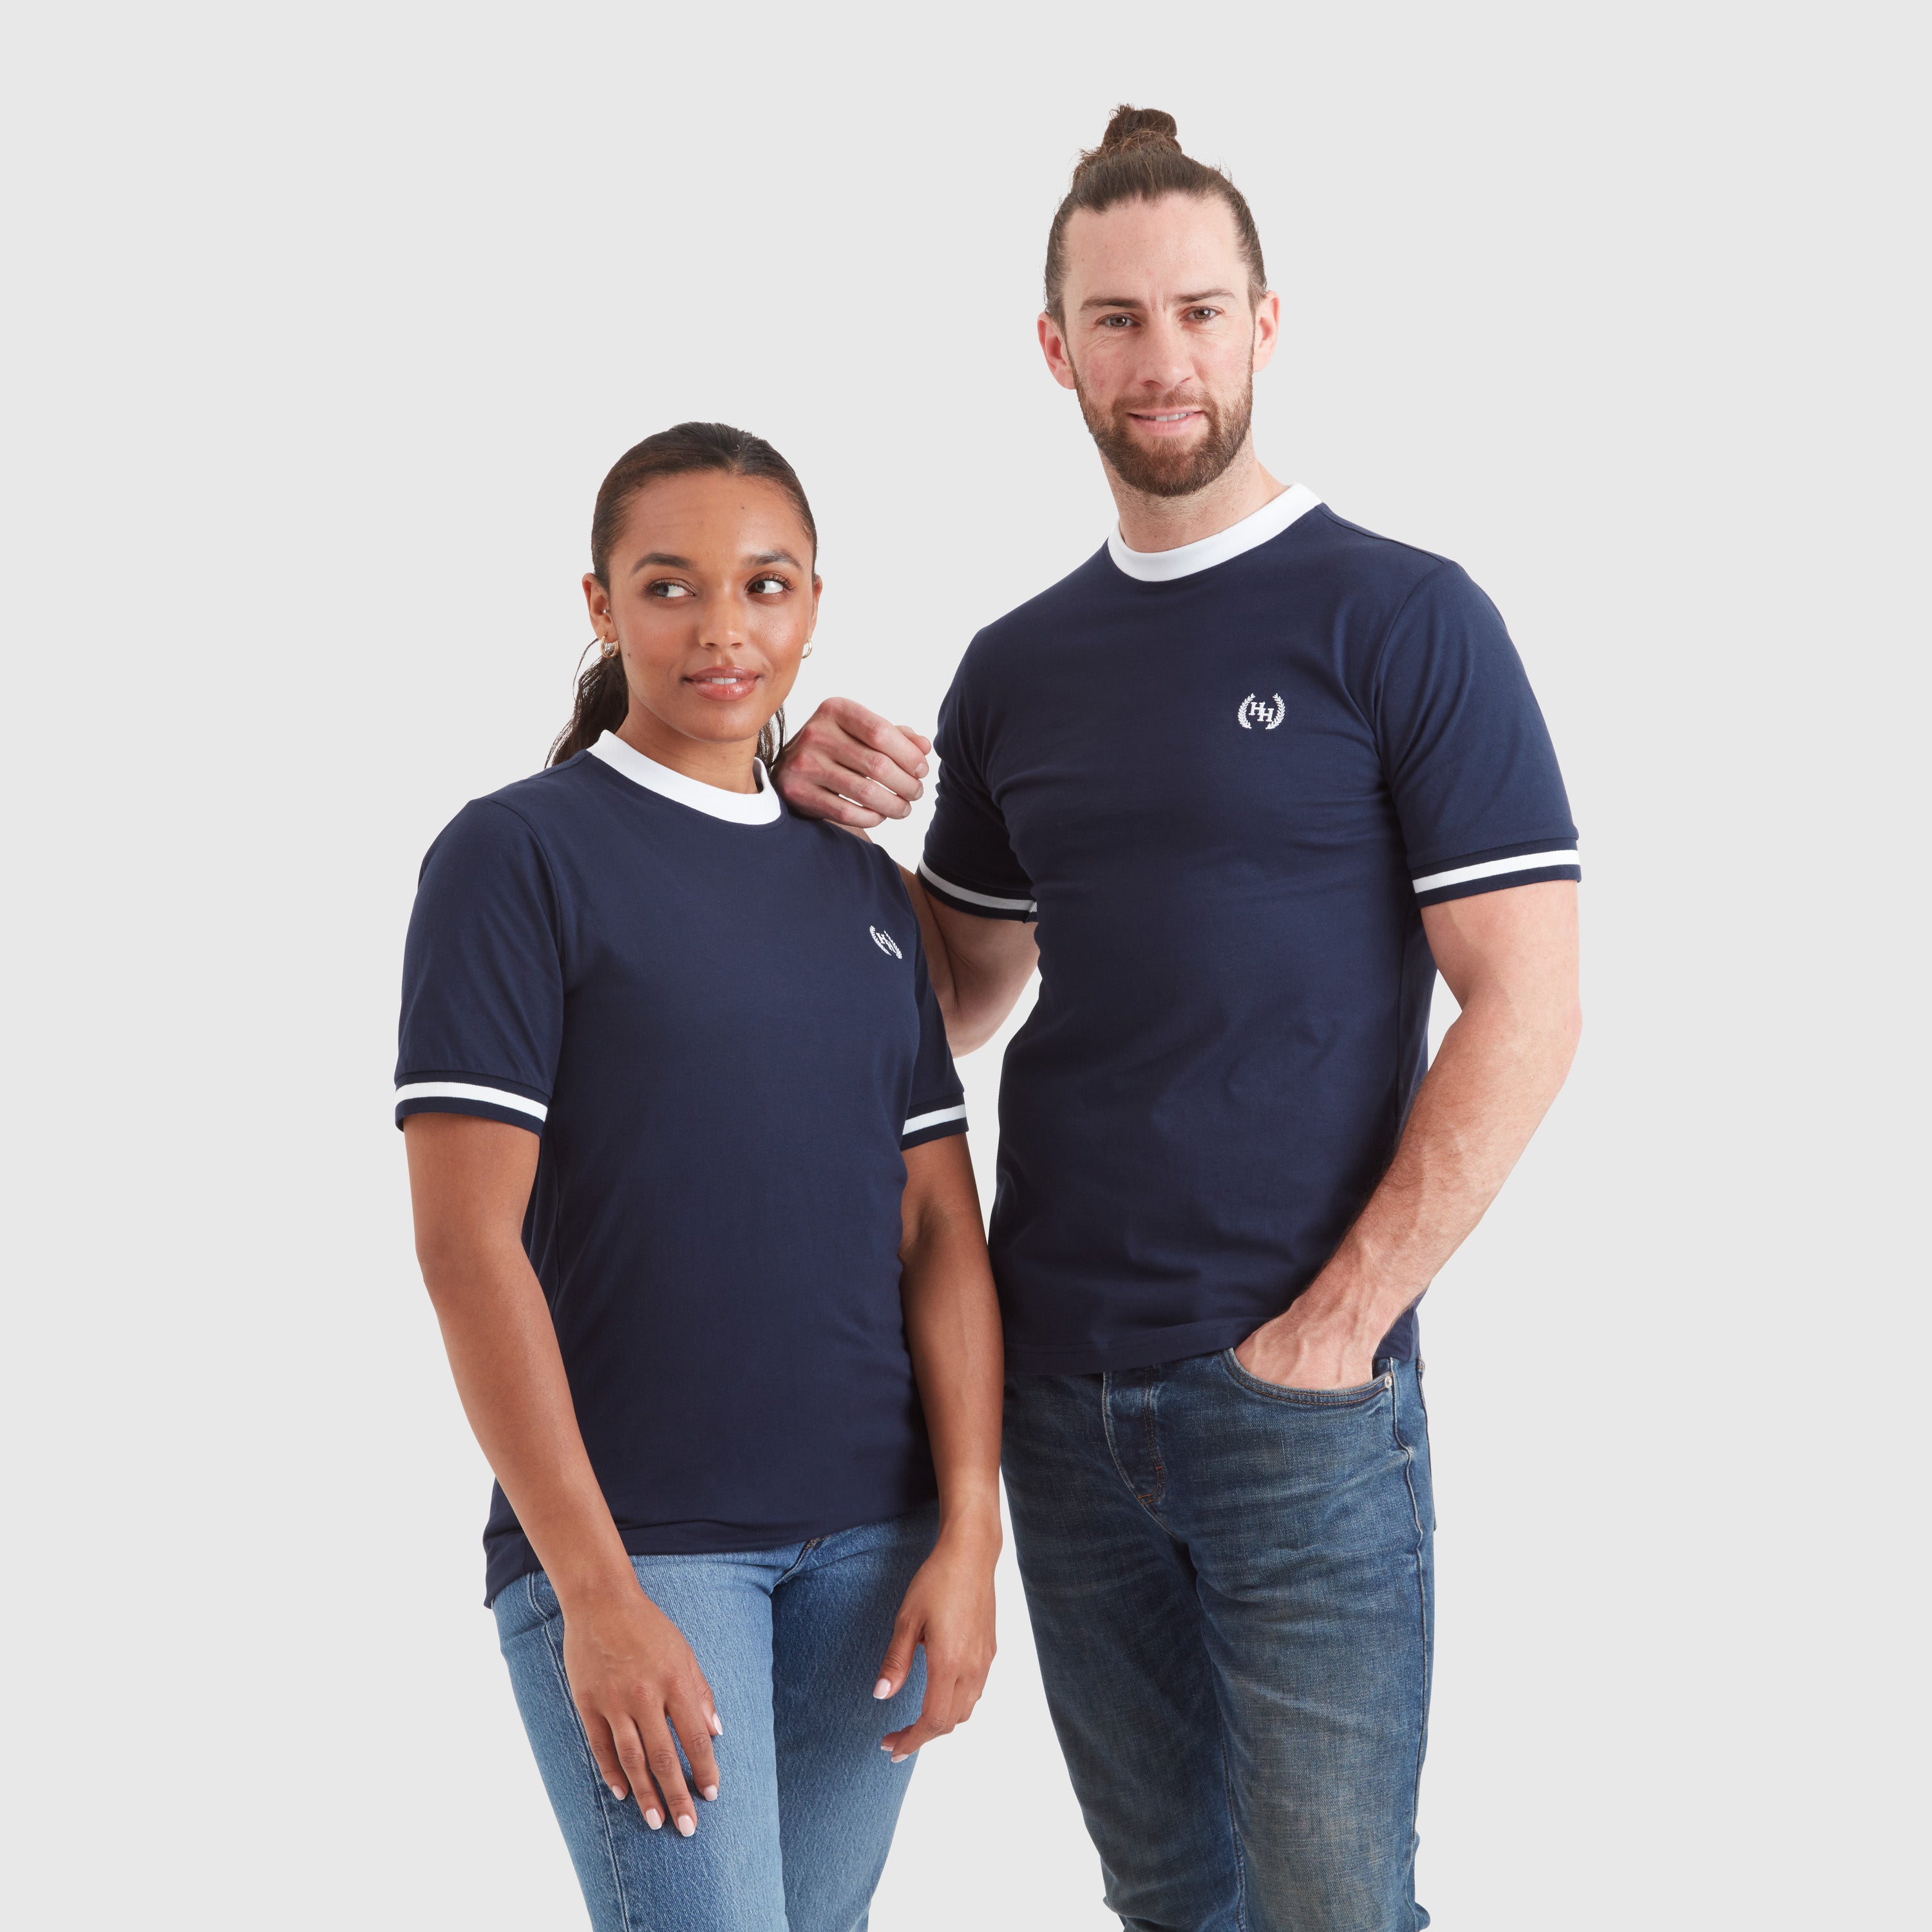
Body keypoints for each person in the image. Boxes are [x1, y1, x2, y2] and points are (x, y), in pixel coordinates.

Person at [775, 108, 1583, 1931]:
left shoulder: (1403, 618)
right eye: (1119, 320)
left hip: (1300, 1399)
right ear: (1055, 349)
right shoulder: (1019, 667)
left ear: (1265, 324)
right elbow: (959, 993)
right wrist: (804, 814)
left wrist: (1340, 1328)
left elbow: (1530, 1002)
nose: (1165, 358)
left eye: (1201, 312)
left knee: (1335, 1909)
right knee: (1169, 1905)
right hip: (1056, 1391)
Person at [396, 422, 1004, 1932]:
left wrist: (972, 1529)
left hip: (875, 1545)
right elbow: (469, 1246)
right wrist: (596, 1591)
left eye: (764, 585)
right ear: (600, 605)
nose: (722, 628)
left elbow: (940, 1226)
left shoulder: (863, 890)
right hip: (645, 1543)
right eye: (669, 586)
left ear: (814, 606)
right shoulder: (516, 859)